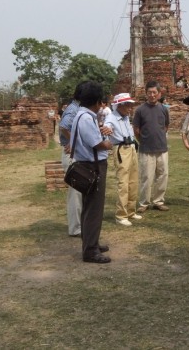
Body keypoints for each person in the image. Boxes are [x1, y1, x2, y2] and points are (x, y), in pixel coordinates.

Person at [70, 81, 113, 263]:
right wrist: (107, 142)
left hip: (87, 164)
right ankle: (90, 250)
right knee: (94, 208)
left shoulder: (81, 115)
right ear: (96, 101)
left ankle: (91, 242)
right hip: (92, 166)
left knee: (89, 207)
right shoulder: (87, 118)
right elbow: (97, 144)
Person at [105, 93, 143, 227]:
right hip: (121, 149)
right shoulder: (111, 117)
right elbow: (107, 126)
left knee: (133, 181)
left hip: (131, 147)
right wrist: (107, 129)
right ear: (119, 106)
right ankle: (121, 215)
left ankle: (131, 211)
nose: (130, 108)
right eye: (127, 105)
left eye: (130, 105)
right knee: (123, 182)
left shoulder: (126, 117)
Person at [133, 81, 170, 213]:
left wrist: (159, 137)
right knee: (146, 177)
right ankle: (144, 202)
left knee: (162, 175)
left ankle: (158, 201)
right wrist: (143, 141)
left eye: (154, 92)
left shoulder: (163, 109)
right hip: (146, 149)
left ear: (159, 94)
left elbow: (165, 126)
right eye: (149, 92)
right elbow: (136, 130)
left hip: (162, 148)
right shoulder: (140, 110)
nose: (152, 95)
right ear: (146, 93)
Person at [59, 81, 88, 237]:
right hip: (71, 155)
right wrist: (73, 141)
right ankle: (76, 228)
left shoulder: (77, 108)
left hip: (75, 154)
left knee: (79, 192)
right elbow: (64, 126)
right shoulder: (74, 109)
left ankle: (79, 225)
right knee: (76, 193)